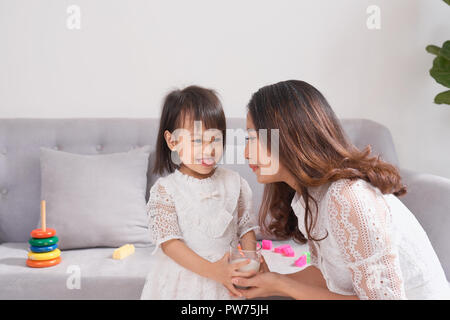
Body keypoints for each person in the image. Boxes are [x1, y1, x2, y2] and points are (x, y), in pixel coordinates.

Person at [231, 80, 450, 300]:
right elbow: (331, 278)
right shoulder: (310, 197)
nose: (246, 153)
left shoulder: (348, 197)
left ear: (290, 137)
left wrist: (283, 286)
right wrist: (272, 281)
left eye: (253, 138)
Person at [140, 85, 260, 299]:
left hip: (228, 279)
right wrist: (214, 271)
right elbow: (170, 244)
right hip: (185, 282)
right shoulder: (166, 190)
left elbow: (245, 228)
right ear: (173, 141)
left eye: (215, 139)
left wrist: (251, 260)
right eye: (197, 140)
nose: (208, 149)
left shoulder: (235, 183)